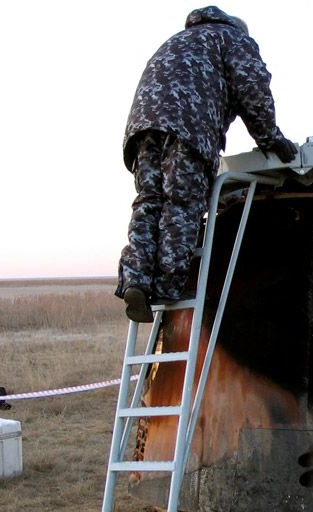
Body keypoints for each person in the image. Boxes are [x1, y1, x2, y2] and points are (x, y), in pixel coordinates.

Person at [115, 5, 298, 323]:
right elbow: (252, 90)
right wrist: (271, 138)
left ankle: (136, 280)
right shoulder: (233, 38)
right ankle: (170, 286)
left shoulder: (178, 40)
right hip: (190, 126)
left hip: (142, 129)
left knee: (148, 202)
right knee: (182, 202)